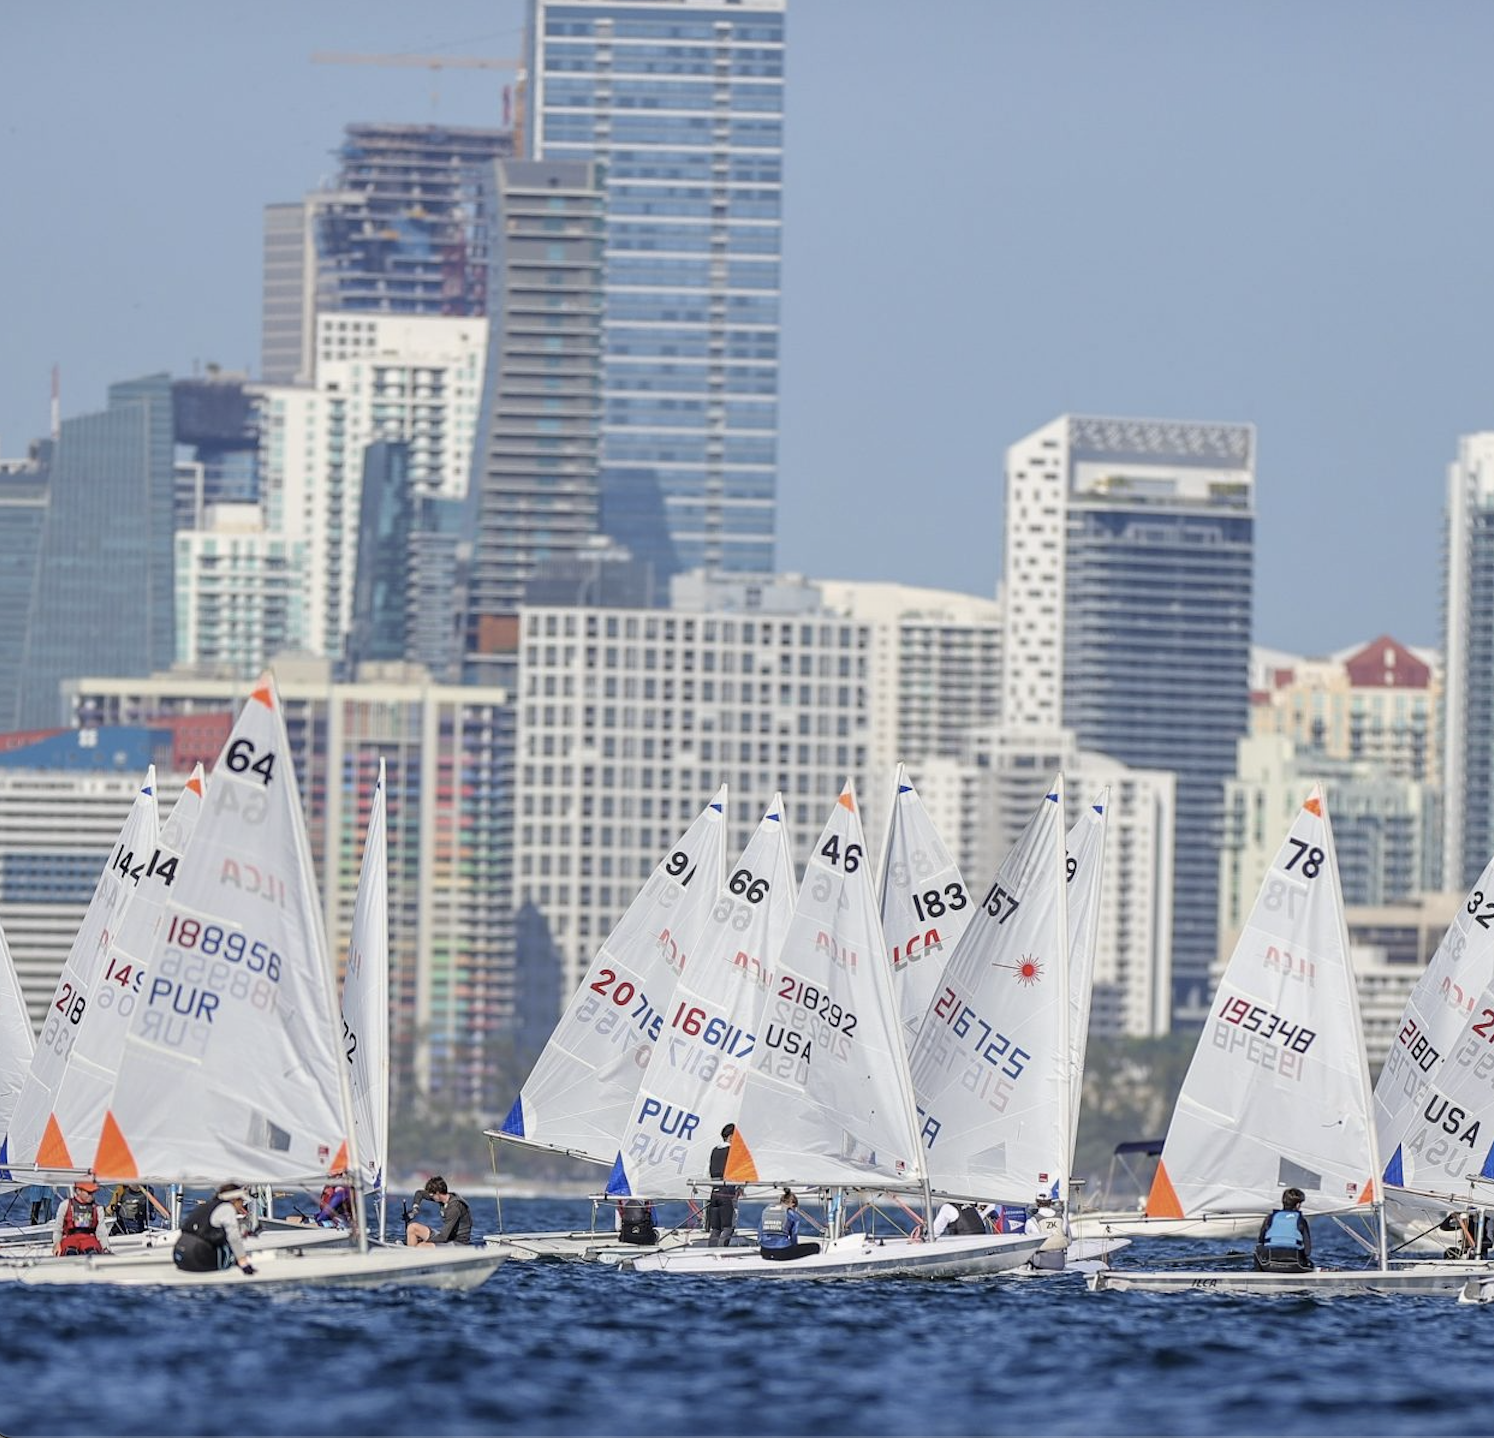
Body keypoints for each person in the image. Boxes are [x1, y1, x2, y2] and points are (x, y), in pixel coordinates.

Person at [173, 1184, 257, 1274]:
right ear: (234, 1200)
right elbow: (234, 1238)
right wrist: (243, 1263)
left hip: (180, 1256)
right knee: (229, 1246)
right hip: (197, 1256)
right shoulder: (227, 1208)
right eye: (241, 1201)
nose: (241, 1205)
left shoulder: (208, 1205)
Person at [1254, 1185, 1312, 1272]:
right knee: (1310, 1263)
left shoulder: (1269, 1218)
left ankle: (1258, 1276)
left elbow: (1260, 1243)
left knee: (1257, 1251)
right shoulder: (1301, 1221)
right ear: (1298, 1205)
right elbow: (1308, 1251)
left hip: (1269, 1264)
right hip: (1295, 1265)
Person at [406, 1176, 472, 1247]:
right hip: (446, 1237)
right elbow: (419, 1193)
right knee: (412, 1227)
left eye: (431, 1195)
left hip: (458, 1243)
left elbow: (443, 1237)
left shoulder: (454, 1208)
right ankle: (411, 1250)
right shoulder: (442, 1198)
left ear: (437, 1193)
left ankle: (413, 1251)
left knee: (421, 1246)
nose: (430, 1197)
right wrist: (415, 1210)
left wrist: (423, 1240)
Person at [758, 1189, 819, 1261]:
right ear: (792, 1204)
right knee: (815, 1246)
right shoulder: (792, 1214)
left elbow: (760, 1232)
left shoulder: (767, 1211)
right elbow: (794, 1238)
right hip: (782, 1252)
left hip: (765, 1252)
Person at [706, 1123, 741, 1247]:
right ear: (731, 1137)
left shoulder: (715, 1150)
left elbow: (709, 1171)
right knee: (727, 1227)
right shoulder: (733, 1151)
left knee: (715, 1228)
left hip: (714, 1193)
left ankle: (710, 1253)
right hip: (727, 1193)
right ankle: (722, 1252)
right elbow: (739, 1172)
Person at [52, 1180, 109, 1256]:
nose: (92, 1196)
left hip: (89, 1238)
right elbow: (58, 1229)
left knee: (93, 1252)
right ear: (78, 1191)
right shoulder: (65, 1205)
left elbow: (101, 1233)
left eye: (93, 1193)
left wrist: (106, 1248)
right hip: (70, 1238)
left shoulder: (98, 1208)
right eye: (89, 1193)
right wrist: (56, 1244)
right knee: (70, 1252)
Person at [105, 1182, 170, 1235]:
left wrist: (143, 1190)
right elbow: (109, 1212)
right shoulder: (121, 1190)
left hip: (139, 1226)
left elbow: (164, 1213)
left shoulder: (148, 1191)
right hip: (122, 1226)